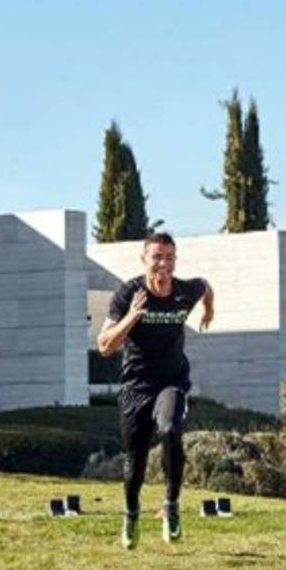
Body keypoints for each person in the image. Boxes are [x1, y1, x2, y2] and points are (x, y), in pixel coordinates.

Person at [96, 232, 214, 550]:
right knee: (135, 459)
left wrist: (209, 311)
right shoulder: (128, 293)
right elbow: (105, 346)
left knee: (171, 427)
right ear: (144, 259)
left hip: (172, 381)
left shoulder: (184, 290)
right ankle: (131, 515)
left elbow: (205, 286)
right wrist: (133, 316)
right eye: (157, 257)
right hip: (136, 385)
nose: (163, 264)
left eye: (169, 257)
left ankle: (171, 507)